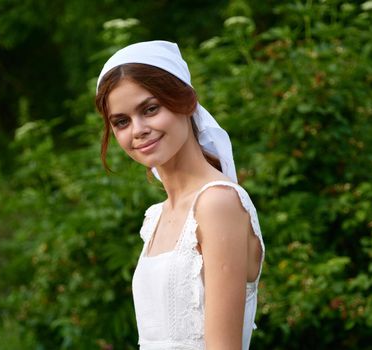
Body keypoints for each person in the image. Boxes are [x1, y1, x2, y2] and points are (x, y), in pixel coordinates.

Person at [95, 40, 265, 350]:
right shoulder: (156, 216)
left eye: (150, 109)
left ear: (185, 102)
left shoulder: (216, 203)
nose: (138, 130)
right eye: (121, 121)